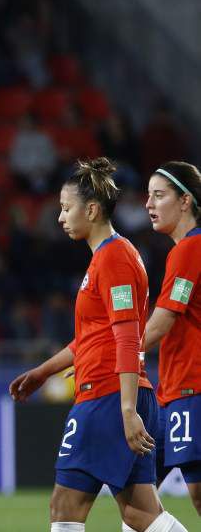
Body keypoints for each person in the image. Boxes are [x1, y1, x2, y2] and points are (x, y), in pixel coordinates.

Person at [9, 158, 188, 532]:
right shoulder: (106, 259)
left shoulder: (115, 258)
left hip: (107, 395)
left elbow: (126, 336)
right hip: (119, 392)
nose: (60, 217)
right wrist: (44, 371)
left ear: (91, 210)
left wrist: (125, 409)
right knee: (140, 514)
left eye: (66, 207)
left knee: (65, 507)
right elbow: (92, 338)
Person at [143, 161, 201, 517]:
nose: (148, 204)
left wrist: (109, 355)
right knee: (137, 495)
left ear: (185, 201)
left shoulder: (189, 250)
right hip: (171, 393)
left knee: (197, 495)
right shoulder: (184, 250)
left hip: (192, 389)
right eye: (148, 195)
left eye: (159, 195)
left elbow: (161, 324)